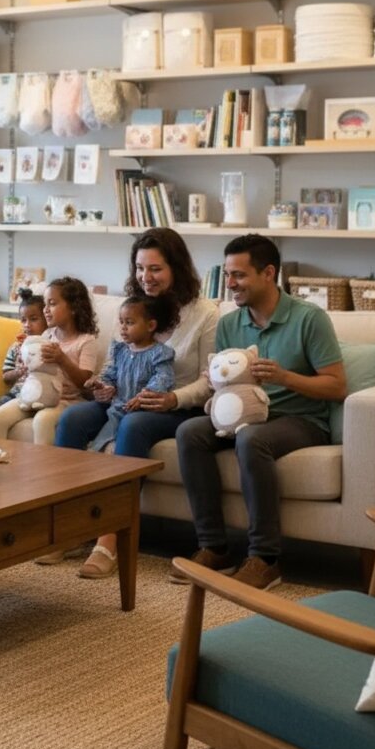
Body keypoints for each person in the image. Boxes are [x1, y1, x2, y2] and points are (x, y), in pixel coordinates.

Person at [171, 234, 345, 590]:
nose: (230, 283)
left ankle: (265, 559)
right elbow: (228, 383)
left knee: (252, 439)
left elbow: (336, 386)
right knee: (189, 432)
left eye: (238, 275)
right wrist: (215, 379)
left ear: (268, 273)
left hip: (300, 419)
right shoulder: (231, 323)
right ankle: (214, 547)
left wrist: (284, 377)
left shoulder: (309, 319)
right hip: (242, 415)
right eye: (227, 274)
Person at [54, 228, 218, 579]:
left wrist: (172, 397)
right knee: (72, 420)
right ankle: (66, 528)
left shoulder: (205, 313)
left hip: (175, 406)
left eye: (155, 269)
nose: (146, 277)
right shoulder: (131, 308)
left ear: (177, 267)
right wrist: (103, 388)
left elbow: (210, 380)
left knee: (134, 425)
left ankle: (108, 540)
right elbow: (115, 364)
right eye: (140, 268)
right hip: (124, 398)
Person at [0, 279, 98, 442]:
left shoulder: (86, 341)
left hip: (67, 400)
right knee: (0, 416)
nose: (45, 310)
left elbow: (84, 383)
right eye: (45, 304)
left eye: (51, 304)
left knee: (42, 420)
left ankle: (44, 467)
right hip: (35, 395)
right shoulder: (47, 335)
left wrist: (62, 359)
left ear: (74, 307)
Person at [87, 295, 177, 453]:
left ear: (150, 326)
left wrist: (142, 398)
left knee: (116, 429)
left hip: (146, 410)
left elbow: (163, 378)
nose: (123, 327)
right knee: (113, 421)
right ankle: (97, 454)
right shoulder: (120, 350)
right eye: (121, 322)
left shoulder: (160, 353)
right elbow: (110, 375)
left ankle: (96, 455)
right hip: (119, 408)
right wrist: (103, 386)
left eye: (129, 323)